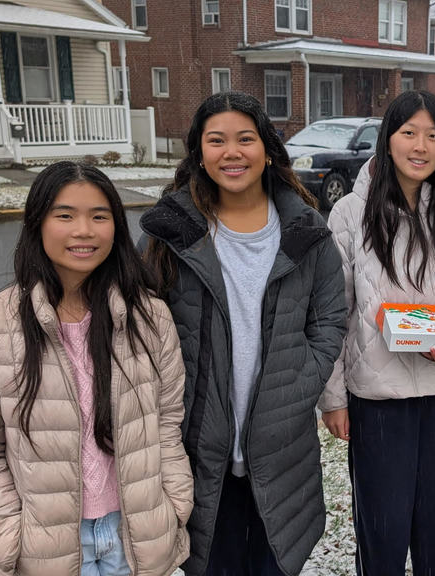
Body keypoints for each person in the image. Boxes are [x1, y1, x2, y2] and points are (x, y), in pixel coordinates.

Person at [0, 161, 193, 576]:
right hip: (46, 550)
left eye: (99, 216)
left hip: (139, 538)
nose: (84, 231)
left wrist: (173, 504)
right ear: (37, 223)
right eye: (65, 215)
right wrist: (10, 538)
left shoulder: (150, 318)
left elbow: (167, 421)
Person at [139, 92, 346, 576]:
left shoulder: (306, 230)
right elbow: (141, 326)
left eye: (244, 139)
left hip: (281, 444)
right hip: (198, 447)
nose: (231, 153)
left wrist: (300, 385)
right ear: (199, 153)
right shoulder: (170, 232)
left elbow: (330, 318)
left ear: (268, 148)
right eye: (216, 141)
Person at [318, 89, 435, 576]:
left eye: (433, 135)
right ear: (386, 140)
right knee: (383, 532)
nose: (420, 146)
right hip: (376, 398)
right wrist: (333, 398)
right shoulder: (351, 213)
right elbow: (334, 311)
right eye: (408, 132)